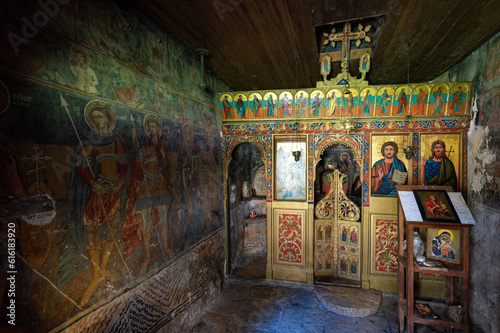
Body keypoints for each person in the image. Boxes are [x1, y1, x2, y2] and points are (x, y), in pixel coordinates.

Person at [58, 101, 128, 307]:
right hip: (99, 190)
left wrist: (121, 182)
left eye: (101, 117)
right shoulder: (91, 141)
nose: (98, 121)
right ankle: (95, 274)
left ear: (108, 118)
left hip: (115, 190)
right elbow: (80, 167)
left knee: (114, 226)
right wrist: (93, 182)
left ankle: (104, 267)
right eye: (95, 118)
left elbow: (124, 165)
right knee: (92, 229)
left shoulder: (116, 140)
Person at [129, 115, 174, 276]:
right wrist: (134, 140)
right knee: (145, 218)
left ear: (158, 129)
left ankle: (166, 246)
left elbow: (166, 165)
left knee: (163, 215)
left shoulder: (161, 145)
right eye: (151, 127)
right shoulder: (145, 145)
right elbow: (136, 158)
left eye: (155, 127)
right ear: (148, 129)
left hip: (159, 182)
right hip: (147, 183)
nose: (153, 130)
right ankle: (147, 255)